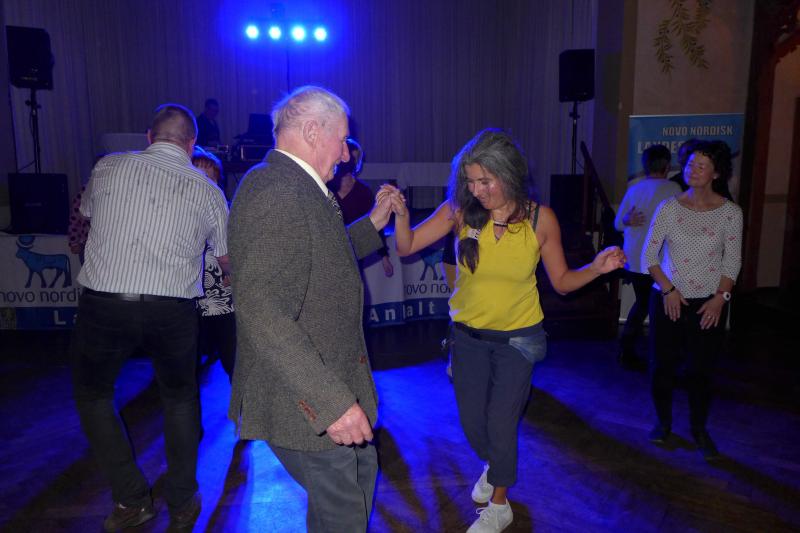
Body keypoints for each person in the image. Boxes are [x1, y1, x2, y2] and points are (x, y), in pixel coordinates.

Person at [390, 129, 625, 533]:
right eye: (470, 181)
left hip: (518, 340)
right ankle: (494, 464)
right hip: (467, 338)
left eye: (485, 181)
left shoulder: (540, 219)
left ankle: (499, 505)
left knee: (501, 423)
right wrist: (401, 214)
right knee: (473, 425)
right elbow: (407, 246)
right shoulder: (459, 211)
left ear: (510, 175)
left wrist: (596, 268)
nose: (475, 190)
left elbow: (562, 281)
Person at [227, 86, 396, 533]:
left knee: (361, 472)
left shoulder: (295, 185)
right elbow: (262, 310)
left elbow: (320, 253)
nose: (346, 154)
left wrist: (372, 225)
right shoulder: (278, 190)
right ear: (311, 131)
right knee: (344, 508)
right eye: (342, 140)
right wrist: (331, 404)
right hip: (303, 398)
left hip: (321, 382)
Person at [71, 104, 229, 531]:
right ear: (192, 144)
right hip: (171, 310)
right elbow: (226, 259)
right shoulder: (208, 190)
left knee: (93, 396)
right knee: (179, 399)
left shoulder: (108, 167)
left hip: (105, 303)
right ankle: (182, 501)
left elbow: (87, 214)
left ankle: (131, 500)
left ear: (148, 136)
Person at [643, 140, 742, 460]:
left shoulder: (730, 213)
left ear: (716, 173)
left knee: (701, 371)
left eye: (701, 165)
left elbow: (732, 262)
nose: (692, 170)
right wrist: (668, 290)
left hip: (708, 304)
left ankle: (699, 429)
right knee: (662, 367)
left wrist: (720, 299)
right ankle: (663, 423)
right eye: (689, 164)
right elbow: (649, 256)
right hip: (667, 299)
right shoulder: (668, 207)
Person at [614, 144, 681, 370]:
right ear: (668, 166)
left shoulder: (635, 189)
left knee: (643, 304)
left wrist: (627, 221)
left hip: (635, 259)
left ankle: (628, 350)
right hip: (659, 260)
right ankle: (657, 354)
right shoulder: (674, 188)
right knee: (656, 306)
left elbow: (618, 223)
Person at [192, 148, 236, 381]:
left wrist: (235, 274)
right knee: (189, 364)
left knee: (232, 359)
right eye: (199, 176)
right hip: (190, 298)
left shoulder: (229, 211)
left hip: (223, 298)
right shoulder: (179, 212)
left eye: (210, 178)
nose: (205, 183)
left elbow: (240, 248)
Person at [329, 137, 394, 277]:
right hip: (329, 251)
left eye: (354, 159)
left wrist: (384, 256)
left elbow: (374, 224)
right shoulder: (327, 187)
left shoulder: (363, 192)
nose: (350, 162)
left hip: (354, 252)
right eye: (347, 158)